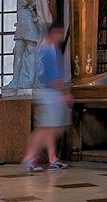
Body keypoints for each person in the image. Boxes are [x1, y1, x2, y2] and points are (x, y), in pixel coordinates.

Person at [21, 24, 71, 172]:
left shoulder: (43, 49)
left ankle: (52, 158)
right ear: (53, 34)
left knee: (49, 127)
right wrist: (65, 93)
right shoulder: (50, 52)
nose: (62, 37)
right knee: (47, 128)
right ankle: (30, 157)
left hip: (45, 93)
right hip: (51, 94)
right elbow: (54, 78)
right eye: (60, 34)